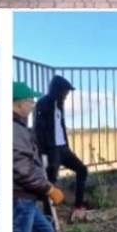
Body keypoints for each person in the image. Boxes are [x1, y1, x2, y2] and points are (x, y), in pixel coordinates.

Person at [13, 82, 63, 232]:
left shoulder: (19, 127)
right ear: (19, 104)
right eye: (29, 101)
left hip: (25, 198)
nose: (33, 104)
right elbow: (22, 169)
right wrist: (49, 189)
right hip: (19, 199)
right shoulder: (14, 130)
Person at [34, 76, 89, 211]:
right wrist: (43, 154)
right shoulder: (42, 104)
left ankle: (78, 205)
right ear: (57, 90)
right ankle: (49, 216)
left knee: (82, 170)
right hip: (51, 151)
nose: (66, 95)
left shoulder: (59, 105)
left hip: (64, 149)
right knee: (50, 183)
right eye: (65, 92)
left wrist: (66, 146)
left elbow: (60, 128)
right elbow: (38, 131)